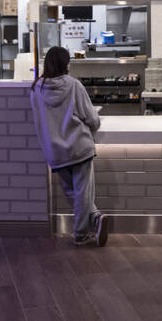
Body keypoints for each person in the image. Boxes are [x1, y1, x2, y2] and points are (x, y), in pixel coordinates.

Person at [29, 46, 108, 247]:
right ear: (66, 64)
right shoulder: (74, 86)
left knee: (74, 192)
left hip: (55, 151)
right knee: (83, 192)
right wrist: (95, 125)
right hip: (79, 147)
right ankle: (82, 233)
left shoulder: (36, 89)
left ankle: (95, 218)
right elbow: (91, 118)